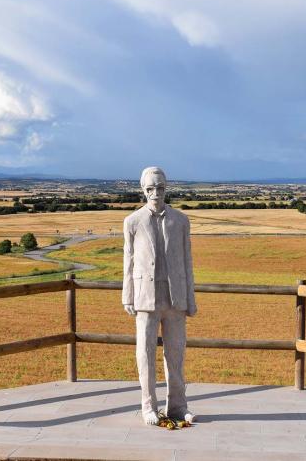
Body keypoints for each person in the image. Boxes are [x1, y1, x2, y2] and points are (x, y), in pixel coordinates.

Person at [122, 166, 197, 425]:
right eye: (150, 188)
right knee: (145, 353)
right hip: (145, 297)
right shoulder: (132, 222)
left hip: (175, 298)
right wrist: (127, 296)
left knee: (176, 354)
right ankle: (148, 406)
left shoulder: (180, 221)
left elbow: (187, 262)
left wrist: (190, 298)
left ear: (167, 188)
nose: (155, 193)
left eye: (160, 187)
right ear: (143, 190)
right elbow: (128, 261)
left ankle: (178, 406)